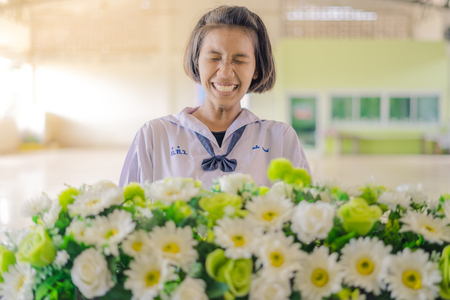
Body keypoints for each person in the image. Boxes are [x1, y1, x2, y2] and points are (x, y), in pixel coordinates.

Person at [119, 5, 310, 188]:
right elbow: (128, 212)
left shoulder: (280, 139)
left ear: (257, 69)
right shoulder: (154, 135)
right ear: (196, 63)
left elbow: (303, 212)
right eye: (214, 58)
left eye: (240, 60)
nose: (225, 72)